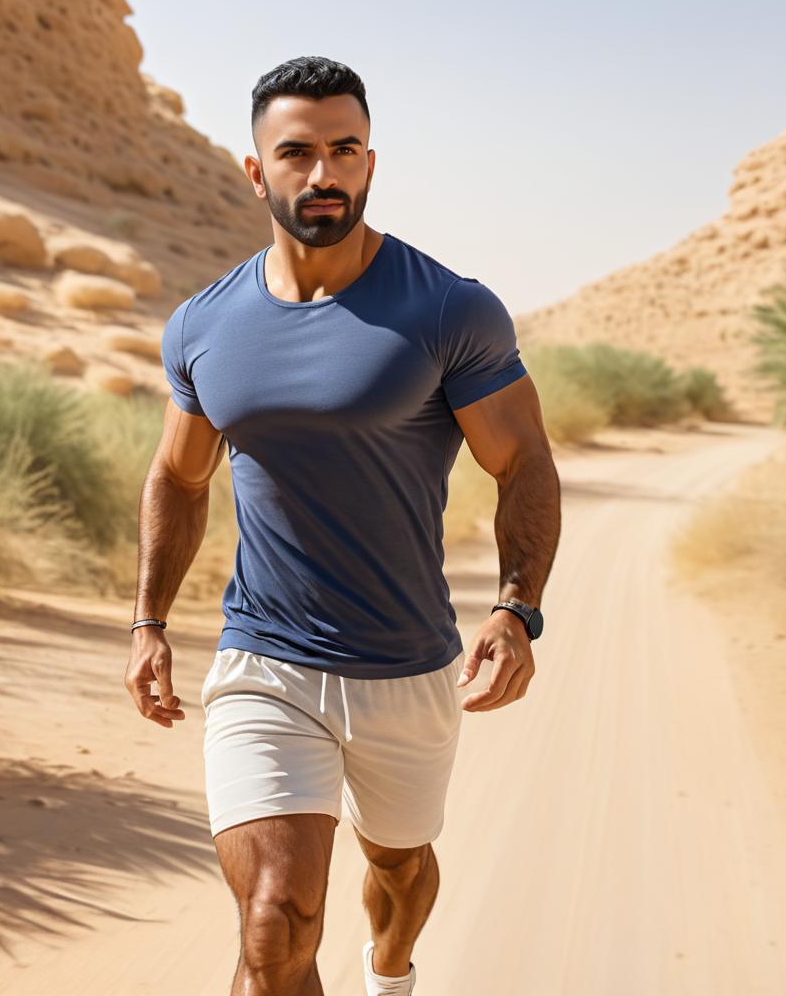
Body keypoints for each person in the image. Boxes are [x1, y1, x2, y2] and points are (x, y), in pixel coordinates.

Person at [123, 55, 561, 996]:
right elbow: (178, 474)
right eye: (297, 153)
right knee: (274, 925)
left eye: (344, 150)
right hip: (264, 664)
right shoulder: (203, 324)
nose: (322, 173)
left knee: (400, 872)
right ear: (256, 171)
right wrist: (148, 621)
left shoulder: (448, 309)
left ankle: (392, 967)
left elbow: (522, 461)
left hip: (406, 664)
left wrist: (517, 608)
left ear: (369, 164)